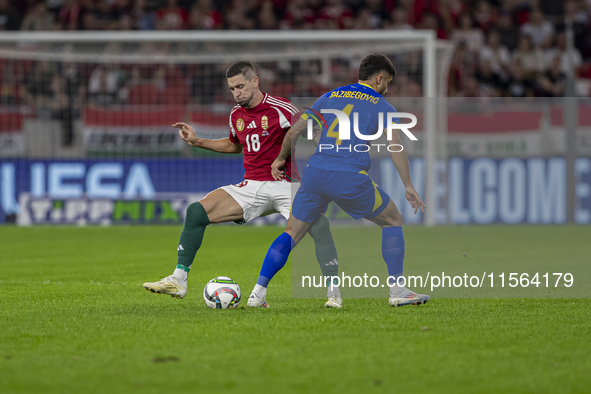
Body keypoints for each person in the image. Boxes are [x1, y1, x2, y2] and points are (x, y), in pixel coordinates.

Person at [143, 61, 341, 308]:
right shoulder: (236, 114)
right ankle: (178, 280)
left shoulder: (280, 108)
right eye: (232, 89)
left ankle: (334, 292)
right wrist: (198, 141)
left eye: (240, 86)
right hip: (250, 186)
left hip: (285, 185)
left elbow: (310, 127)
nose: (236, 93)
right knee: (196, 211)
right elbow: (235, 145)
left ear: (255, 81)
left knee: (319, 225)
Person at [247, 54, 428, 308]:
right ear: (378, 78)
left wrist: (279, 159)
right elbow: (395, 148)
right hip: (349, 176)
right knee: (392, 219)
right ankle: (397, 290)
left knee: (292, 232)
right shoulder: (383, 106)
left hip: (316, 173)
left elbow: (296, 129)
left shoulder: (330, 96)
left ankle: (257, 294)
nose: (387, 88)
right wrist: (408, 185)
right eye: (387, 82)